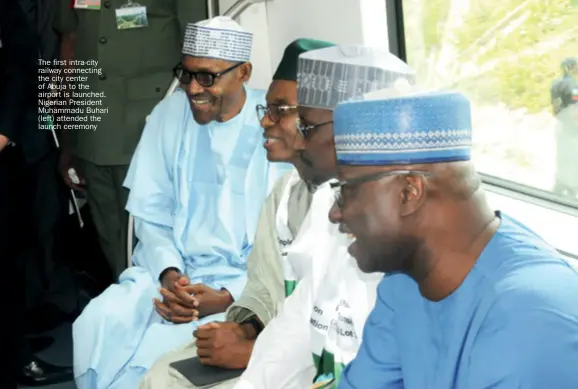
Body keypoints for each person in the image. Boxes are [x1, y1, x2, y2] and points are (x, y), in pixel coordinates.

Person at [72, 16, 291, 389]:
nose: (191, 88)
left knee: (168, 362)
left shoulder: (271, 127)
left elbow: (282, 246)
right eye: (186, 73)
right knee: (101, 318)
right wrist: (170, 275)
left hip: (243, 287)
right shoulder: (168, 115)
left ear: (244, 73)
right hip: (171, 278)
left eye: (207, 76)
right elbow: (150, 218)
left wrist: (226, 297)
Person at [329, 89, 578, 388]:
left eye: (345, 190)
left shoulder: (530, 319)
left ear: (409, 192)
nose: (334, 213)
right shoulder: (403, 284)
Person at [138, 37, 338, 389]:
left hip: (320, 363)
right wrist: (241, 328)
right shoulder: (285, 193)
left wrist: (254, 351)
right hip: (272, 340)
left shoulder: (353, 208)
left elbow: (346, 325)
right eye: (266, 109)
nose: (264, 122)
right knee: (161, 375)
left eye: (279, 110)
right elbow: (263, 287)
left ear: (319, 120)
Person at [232, 45, 416, 389]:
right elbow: (297, 326)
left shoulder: (416, 251)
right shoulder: (325, 202)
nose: (299, 143)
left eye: (308, 126)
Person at [54, 0, 208, 279]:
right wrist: (67, 137)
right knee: (116, 251)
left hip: (151, 131)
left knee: (161, 248)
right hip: (93, 133)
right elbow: (69, 44)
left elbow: (198, 45)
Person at [0, 1, 73, 387]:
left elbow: (27, 60)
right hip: (26, 131)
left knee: (23, 242)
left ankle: (18, 346)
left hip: (24, 137)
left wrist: (9, 131)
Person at [550, 57, 578, 199]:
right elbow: (575, 109)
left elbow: (555, 108)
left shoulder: (555, 85)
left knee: (562, 158)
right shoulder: (574, 86)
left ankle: (559, 188)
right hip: (572, 129)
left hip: (560, 126)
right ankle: (571, 191)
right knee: (573, 159)